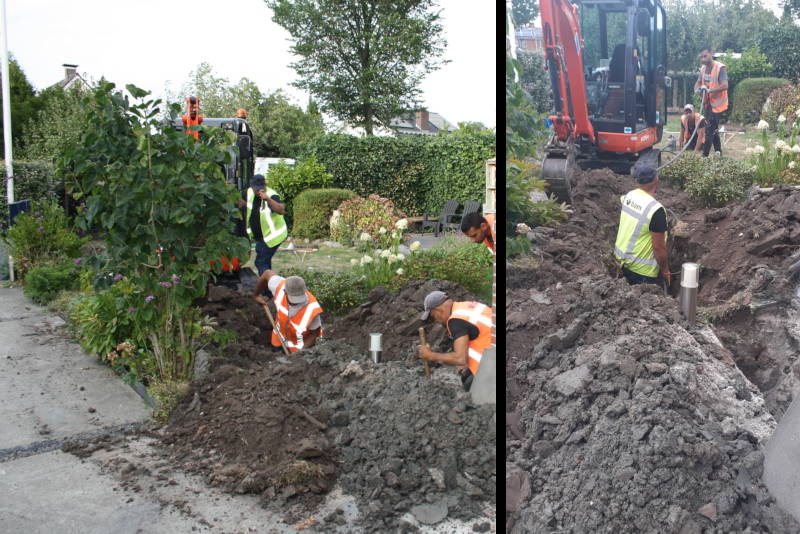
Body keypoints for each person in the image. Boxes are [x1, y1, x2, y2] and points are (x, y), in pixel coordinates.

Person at [418, 291, 493, 392]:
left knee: (470, 387)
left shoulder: (455, 320)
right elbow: (481, 335)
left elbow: (460, 359)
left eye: (433, 316)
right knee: (467, 376)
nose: (436, 321)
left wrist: (430, 355)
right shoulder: (466, 306)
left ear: (439, 310)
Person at [613, 164, 670, 287]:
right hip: (642, 272)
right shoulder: (656, 210)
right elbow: (658, 248)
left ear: (637, 181)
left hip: (619, 261)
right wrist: (665, 270)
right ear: (656, 179)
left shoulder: (629, 196)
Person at [253, 269, 323, 353]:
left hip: (299, 346)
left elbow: (314, 334)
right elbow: (267, 273)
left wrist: (300, 353)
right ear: (285, 292)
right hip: (279, 338)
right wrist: (256, 295)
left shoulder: (312, 309)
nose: (296, 304)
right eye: (293, 301)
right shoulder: (278, 286)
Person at [246, 174, 288, 277]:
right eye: (256, 189)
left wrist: (267, 199)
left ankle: (267, 288)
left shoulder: (272, 194)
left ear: (265, 185)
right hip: (260, 237)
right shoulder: (249, 192)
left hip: (273, 237)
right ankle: (268, 287)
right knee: (264, 262)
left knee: (261, 262)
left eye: (260, 189)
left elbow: (281, 210)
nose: (258, 192)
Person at [694, 46, 728, 157]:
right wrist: (697, 90)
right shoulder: (703, 69)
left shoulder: (720, 68)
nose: (703, 59)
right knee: (713, 128)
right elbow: (698, 82)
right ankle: (718, 151)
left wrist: (709, 90)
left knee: (709, 128)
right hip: (707, 104)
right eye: (701, 57)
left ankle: (705, 155)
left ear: (711, 54)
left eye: (705, 56)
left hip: (718, 105)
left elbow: (725, 85)